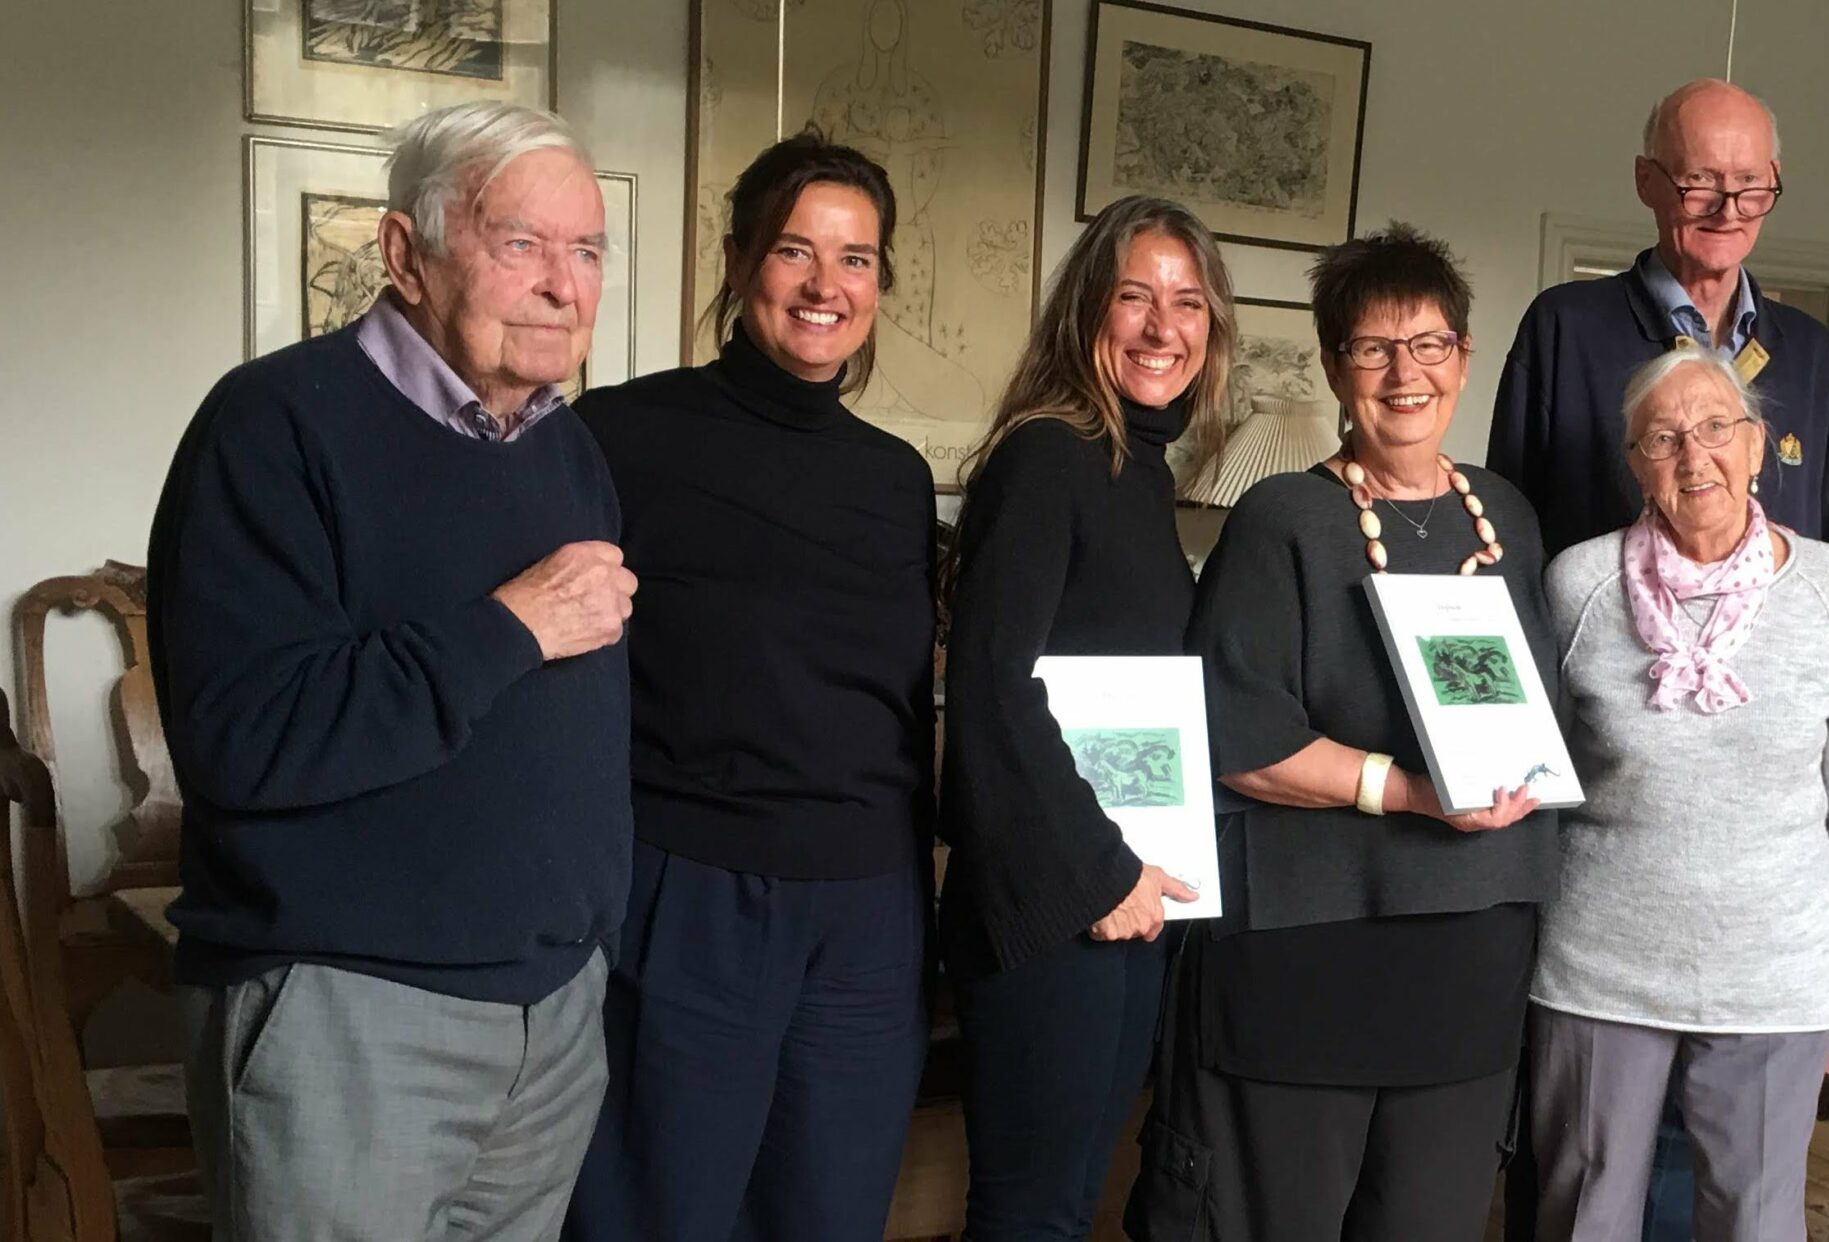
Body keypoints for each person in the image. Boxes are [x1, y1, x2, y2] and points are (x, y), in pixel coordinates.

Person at [148, 101, 632, 1239]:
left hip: (552, 1017)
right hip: (350, 1012)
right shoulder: (273, 423)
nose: (563, 285)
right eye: (522, 243)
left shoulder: (568, 448)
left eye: (587, 250)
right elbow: (243, 738)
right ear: (405, 254)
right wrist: (507, 627)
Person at [1128, 223, 1556, 1242]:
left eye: (1430, 344)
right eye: (1373, 348)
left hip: (1472, 959)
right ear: (1333, 367)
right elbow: (1239, 738)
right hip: (1308, 961)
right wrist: (1411, 793)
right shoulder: (1281, 518)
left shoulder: (1506, 516)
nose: (1406, 374)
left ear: (1463, 358)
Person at [562, 134, 934, 1240]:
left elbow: (898, 707)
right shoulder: (620, 434)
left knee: (830, 1216)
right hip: (692, 893)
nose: (827, 286)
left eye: (856, 259)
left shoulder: (897, 480)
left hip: (868, 914)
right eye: (793, 250)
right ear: (737, 263)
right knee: (659, 1214)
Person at [1529, 344, 1829, 1241]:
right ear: (1635, 463)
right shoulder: (1579, 584)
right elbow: (1537, 776)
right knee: (1584, 1215)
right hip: (1599, 966)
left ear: (1758, 443)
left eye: (1715, 428)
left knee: (1756, 1220)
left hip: (1776, 971)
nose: (1693, 456)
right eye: (1663, 438)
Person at [938, 194, 1236, 1240]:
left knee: (1064, 1207)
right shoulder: (1048, 456)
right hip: (1059, 905)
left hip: (1117, 901)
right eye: (1134, 297)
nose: (1163, 328)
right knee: (1031, 1215)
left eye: (1187, 304)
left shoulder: (1135, 469)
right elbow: (992, 685)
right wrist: (1101, 874)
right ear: (1085, 311)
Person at [1491, 79, 1829, 556]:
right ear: (1645, 181)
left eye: (1749, 183)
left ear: (1773, 176)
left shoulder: (1810, 350)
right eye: (1700, 181)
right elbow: (1505, 534)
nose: (1728, 211)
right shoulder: (1562, 328)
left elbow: (1821, 544)